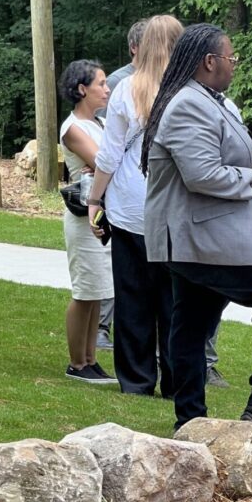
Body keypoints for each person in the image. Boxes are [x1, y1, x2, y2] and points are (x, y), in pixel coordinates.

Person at [141, 23, 252, 431]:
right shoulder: (188, 105)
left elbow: (220, 151)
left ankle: (190, 420)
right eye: (232, 58)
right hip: (205, 236)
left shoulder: (214, 101)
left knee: (192, 323)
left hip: (201, 239)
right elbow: (202, 175)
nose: (235, 65)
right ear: (210, 61)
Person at [89, 15, 184, 397]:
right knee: (175, 302)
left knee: (132, 297)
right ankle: (178, 380)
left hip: (130, 204)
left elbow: (110, 153)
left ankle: (137, 380)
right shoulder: (191, 90)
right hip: (175, 206)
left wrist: (95, 197)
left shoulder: (127, 88)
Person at [58, 60, 117, 384]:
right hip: (83, 220)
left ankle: (91, 359)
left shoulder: (101, 124)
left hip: (101, 215)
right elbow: (104, 161)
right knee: (84, 291)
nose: (107, 89)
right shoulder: (73, 129)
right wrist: (104, 166)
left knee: (99, 290)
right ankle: (76, 364)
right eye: (101, 83)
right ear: (82, 89)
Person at [95, 18, 148, 351]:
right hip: (124, 194)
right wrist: (95, 197)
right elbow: (108, 144)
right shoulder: (120, 84)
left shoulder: (178, 82)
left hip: (154, 199)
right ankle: (103, 330)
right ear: (134, 48)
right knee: (127, 279)